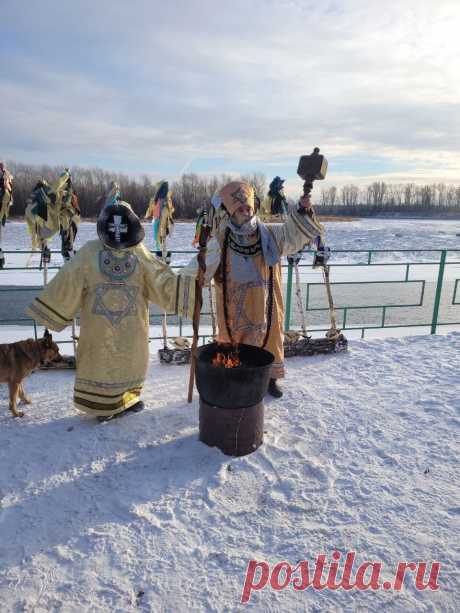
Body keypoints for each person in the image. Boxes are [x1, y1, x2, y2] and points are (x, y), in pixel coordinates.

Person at [26, 200, 195, 421]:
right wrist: (52, 310)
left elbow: (161, 281)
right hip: (99, 328)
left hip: (132, 328)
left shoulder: (139, 252)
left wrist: (193, 276)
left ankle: (125, 401)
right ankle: (102, 407)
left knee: (130, 361)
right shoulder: (89, 252)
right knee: (100, 361)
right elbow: (69, 281)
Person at [185, 180, 323, 398]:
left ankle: (270, 379)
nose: (246, 212)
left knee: (270, 340)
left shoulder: (270, 234)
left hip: (266, 304)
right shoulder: (221, 239)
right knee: (233, 344)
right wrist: (185, 283)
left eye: (248, 207)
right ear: (231, 212)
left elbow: (291, 234)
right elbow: (199, 269)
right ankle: (236, 379)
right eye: (240, 208)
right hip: (234, 308)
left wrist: (303, 209)